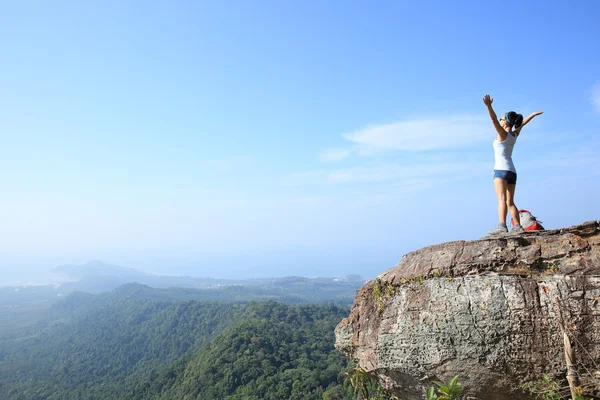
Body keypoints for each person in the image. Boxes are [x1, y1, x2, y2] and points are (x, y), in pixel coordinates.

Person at [482, 94, 543, 234]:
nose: (499, 120)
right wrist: (532, 115)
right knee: (510, 201)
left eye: (501, 119)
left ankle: (502, 226)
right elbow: (522, 124)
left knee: (501, 199)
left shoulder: (502, 134)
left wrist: (489, 106)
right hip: (512, 172)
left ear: (505, 123)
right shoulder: (513, 136)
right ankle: (517, 227)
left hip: (500, 171)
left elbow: (492, 119)